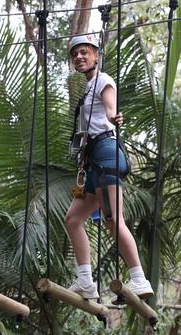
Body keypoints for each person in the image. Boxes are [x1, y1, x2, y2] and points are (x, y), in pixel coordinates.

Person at [64, 34, 154, 300]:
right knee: (73, 219)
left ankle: (139, 279)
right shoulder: (89, 86)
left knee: (114, 220)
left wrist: (114, 116)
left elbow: (110, 105)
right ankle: (85, 281)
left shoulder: (103, 80)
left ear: (96, 55)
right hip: (92, 161)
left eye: (84, 52)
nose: (79, 57)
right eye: (75, 54)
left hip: (106, 153)